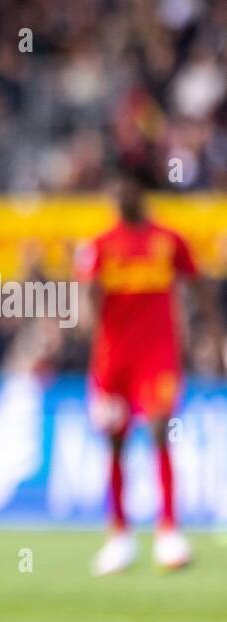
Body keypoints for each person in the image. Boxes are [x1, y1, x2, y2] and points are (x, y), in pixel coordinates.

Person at [76, 168, 222, 575]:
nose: (118, 193)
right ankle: (120, 535)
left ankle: (168, 531)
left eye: (125, 185)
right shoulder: (99, 247)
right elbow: (87, 300)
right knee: (116, 442)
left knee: (159, 428)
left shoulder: (168, 240)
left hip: (157, 356)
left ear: (140, 190)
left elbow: (198, 286)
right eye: (114, 186)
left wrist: (215, 337)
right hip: (113, 361)